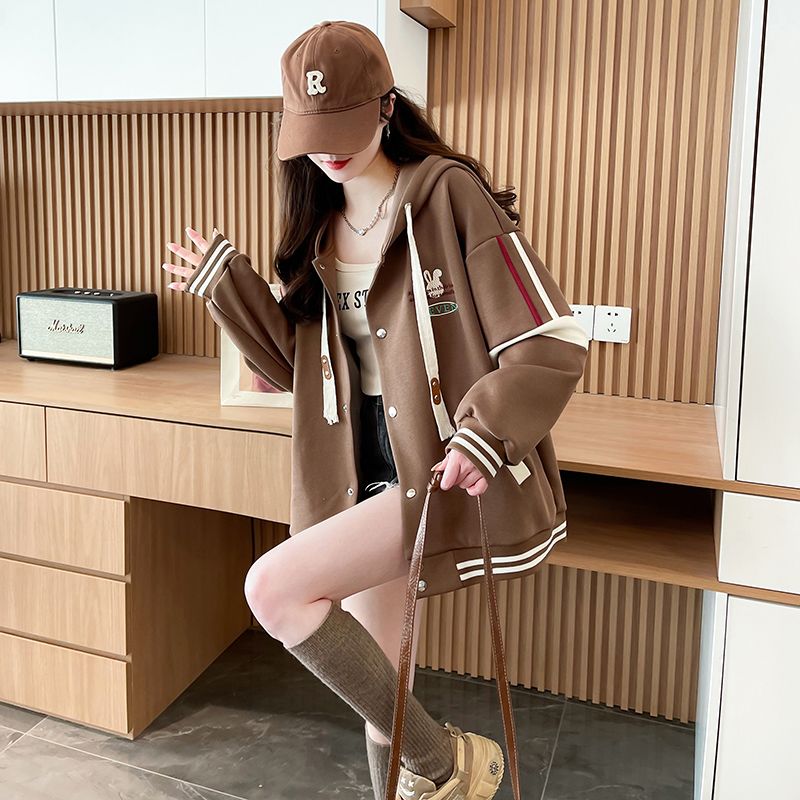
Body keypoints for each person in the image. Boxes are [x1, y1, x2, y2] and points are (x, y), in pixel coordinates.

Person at [163, 19, 589, 800]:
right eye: (314, 134)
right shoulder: (319, 227)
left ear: (388, 107)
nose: (328, 151)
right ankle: (423, 773)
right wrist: (230, 291)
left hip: (430, 463)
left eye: (345, 127)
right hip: (355, 469)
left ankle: (448, 764)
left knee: (273, 590)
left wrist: (486, 429)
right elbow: (302, 373)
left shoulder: (446, 195)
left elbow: (551, 339)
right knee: (382, 683)